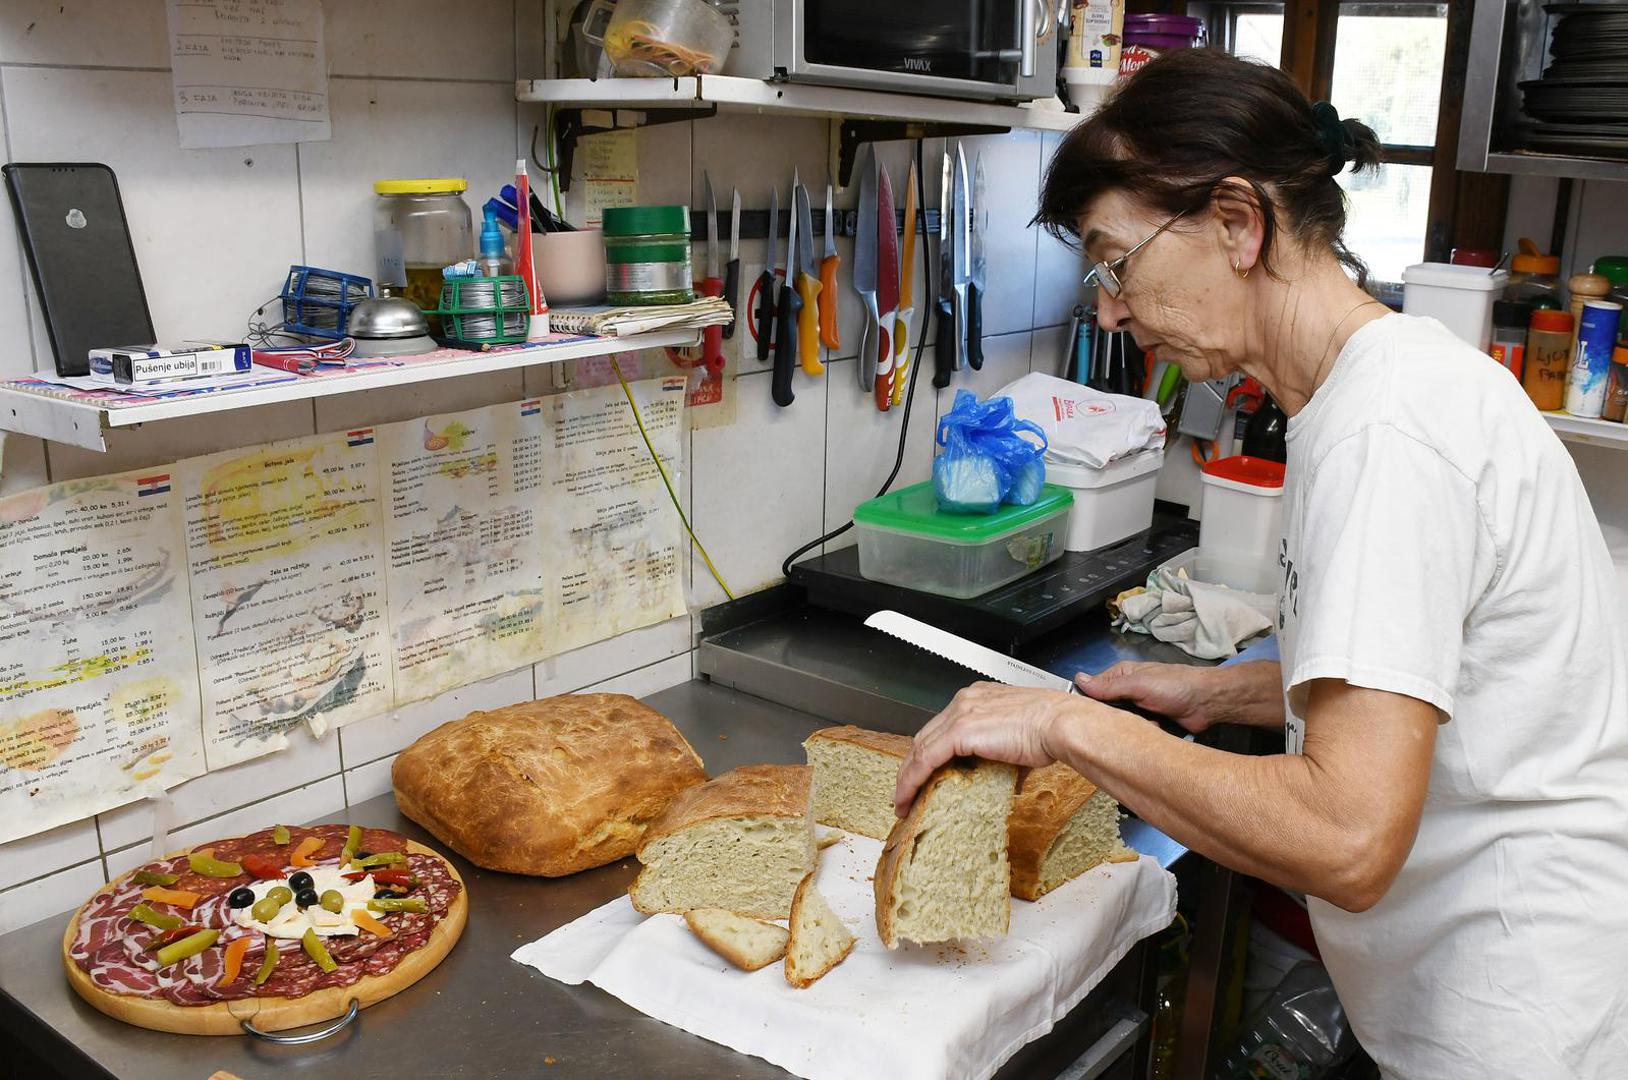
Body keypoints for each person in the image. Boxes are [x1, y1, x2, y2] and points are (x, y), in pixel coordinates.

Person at [893, 49, 1628, 1079]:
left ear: (1237, 222)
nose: (1109, 310)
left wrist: (1067, 722)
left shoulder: (1388, 432)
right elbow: (1435, 670)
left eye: (1114, 263)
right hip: (1493, 992)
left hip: (1508, 1019)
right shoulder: (1380, 391)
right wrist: (1228, 691)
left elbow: (1346, 840)